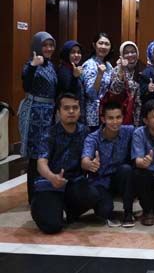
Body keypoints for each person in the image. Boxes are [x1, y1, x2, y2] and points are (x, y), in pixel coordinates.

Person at [30, 93, 91, 234]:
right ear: (58, 112)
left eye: (75, 107)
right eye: (66, 108)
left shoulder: (85, 131)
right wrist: (52, 177)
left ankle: (69, 210)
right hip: (51, 183)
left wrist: (91, 163)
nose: (71, 111)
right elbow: (41, 163)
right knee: (52, 226)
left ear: (80, 110)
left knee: (93, 194)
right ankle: (40, 206)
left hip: (74, 182)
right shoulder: (49, 133)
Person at [81, 101, 136, 227]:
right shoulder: (93, 138)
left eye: (118, 117)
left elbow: (146, 131)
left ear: (122, 117)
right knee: (104, 211)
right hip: (100, 181)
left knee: (127, 169)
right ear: (103, 119)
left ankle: (128, 213)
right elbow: (84, 160)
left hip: (119, 178)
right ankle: (106, 207)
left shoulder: (129, 131)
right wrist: (90, 164)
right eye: (110, 118)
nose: (115, 122)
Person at [19, 31, 58, 203]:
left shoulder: (51, 65)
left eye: (51, 45)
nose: (49, 49)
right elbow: (26, 86)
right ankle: (33, 197)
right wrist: (33, 66)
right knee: (35, 155)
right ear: (37, 46)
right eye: (45, 45)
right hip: (35, 114)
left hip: (49, 113)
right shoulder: (30, 64)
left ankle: (43, 192)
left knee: (45, 153)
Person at [82, 32, 113, 132]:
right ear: (94, 45)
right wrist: (99, 75)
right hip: (93, 115)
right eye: (101, 43)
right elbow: (90, 94)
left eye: (107, 44)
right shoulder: (89, 64)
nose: (103, 47)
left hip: (106, 112)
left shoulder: (109, 65)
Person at [108, 41, 145, 125]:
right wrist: (122, 69)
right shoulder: (117, 69)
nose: (130, 55)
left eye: (133, 52)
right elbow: (115, 90)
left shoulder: (142, 68)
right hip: (121, 115)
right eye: (126, 53)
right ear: (122, 55)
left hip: (139, 117)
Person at [56, 41, 85, 114]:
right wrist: (74, 77)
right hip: (68, 111)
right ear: (66, 54)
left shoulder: (75, 69)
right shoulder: (63, 70)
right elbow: (68, 93)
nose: (76, 55)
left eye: (79, 52)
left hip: (77, 109)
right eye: (73, 52)